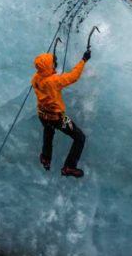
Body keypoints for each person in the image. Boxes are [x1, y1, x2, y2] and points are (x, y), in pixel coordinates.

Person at [31, 49, 90, 178]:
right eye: (53, 63)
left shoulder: (35, 78)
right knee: (80, 137)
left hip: (42, 115)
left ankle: (46, 159)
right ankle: (69, 166)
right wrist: (83, 60)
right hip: (57, 118)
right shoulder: (54, 81)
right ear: (49, 66)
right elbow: (73, 77)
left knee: (48, 134)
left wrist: (50, 64)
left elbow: (45, 75)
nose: (55, 64)